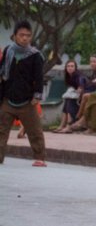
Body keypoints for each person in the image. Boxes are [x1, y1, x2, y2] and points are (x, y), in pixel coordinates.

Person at [0, 21, 46, 167]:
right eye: (21, 35)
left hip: (27, 101)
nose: (25, 38)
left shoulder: (35, 56)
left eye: (28, 35)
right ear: (14, 36)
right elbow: (2, 72)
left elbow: (39, 78)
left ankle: (39, 157)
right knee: (1, 130)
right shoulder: (8, 51)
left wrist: (37, 96)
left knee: (35, 131)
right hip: (8, 98)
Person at [55, 60, 85, 133]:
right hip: (77, 96)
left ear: (75, 68)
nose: (70, 68)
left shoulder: (78, 76)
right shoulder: (68, 76)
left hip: (84, 95)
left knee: (70, 101)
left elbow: (81, 88)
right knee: (67, 101)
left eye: (72, 66)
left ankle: (68, 126)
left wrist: (76, 91)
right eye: (68, 66)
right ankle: (62, 125)